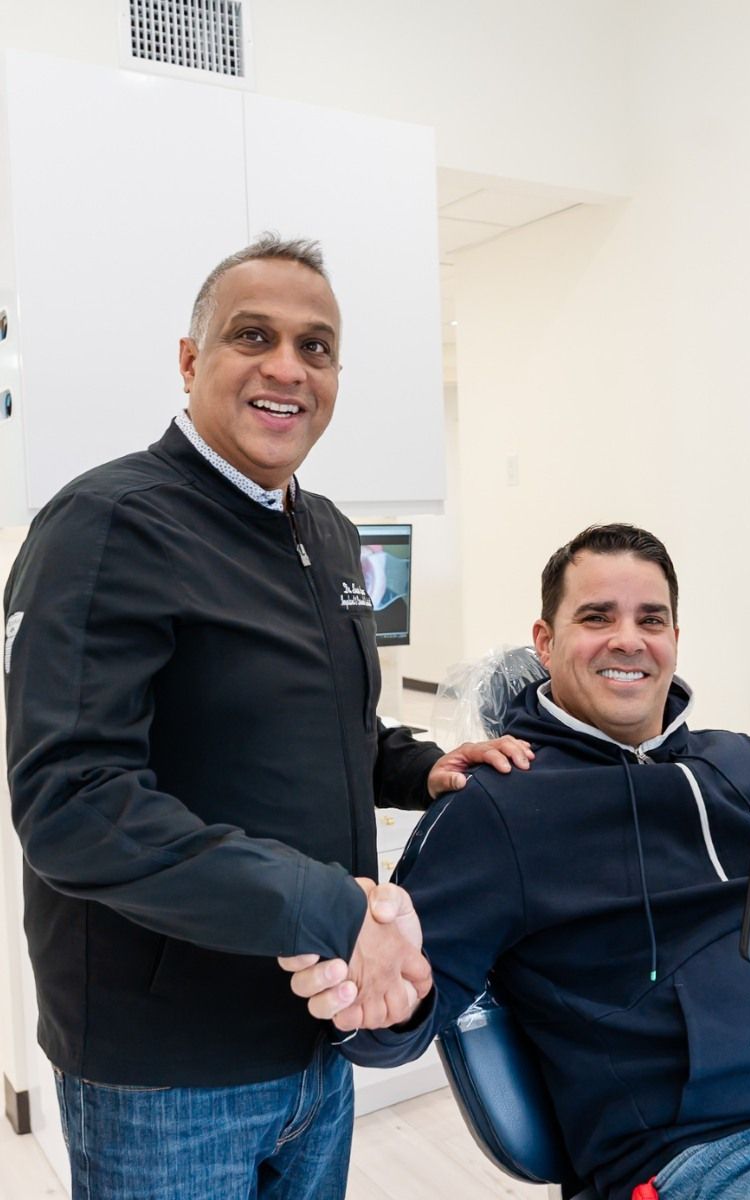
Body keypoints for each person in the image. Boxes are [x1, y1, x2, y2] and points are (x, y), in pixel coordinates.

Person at [2, 233, 532, 1200]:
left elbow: (331, 724)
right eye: (254, 336)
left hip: (316, 1029)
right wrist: (332, 906)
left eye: (316, 346)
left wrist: (422, 767)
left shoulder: (324, 531)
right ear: (190, 358)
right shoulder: (107, 525)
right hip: (167, 1071)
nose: (288, 367)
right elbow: (71, 802)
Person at [284, 523, 750, 1200]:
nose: (628, 640)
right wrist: (382, 1004)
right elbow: (401, 1009)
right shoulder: (498, 810)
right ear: (545, 642)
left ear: (674, 638)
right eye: (596, 617)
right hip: (738, 1147)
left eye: (651, 619)